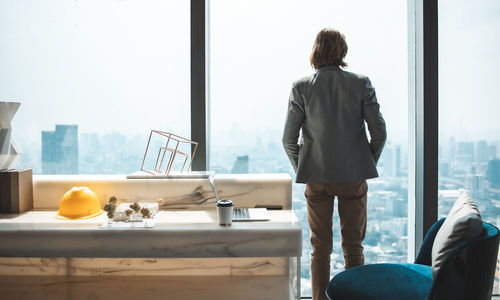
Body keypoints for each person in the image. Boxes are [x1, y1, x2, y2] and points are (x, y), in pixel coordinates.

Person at [282, 28, 386, 300]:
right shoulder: (361, 83)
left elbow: (288, 139)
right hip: (353, 176)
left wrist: (305, 166)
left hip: (317, 177)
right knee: (353, 248)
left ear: (315, 50)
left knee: (320, 250)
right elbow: (380, 132)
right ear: (343, 51)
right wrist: (364, 162)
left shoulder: (301, 87)